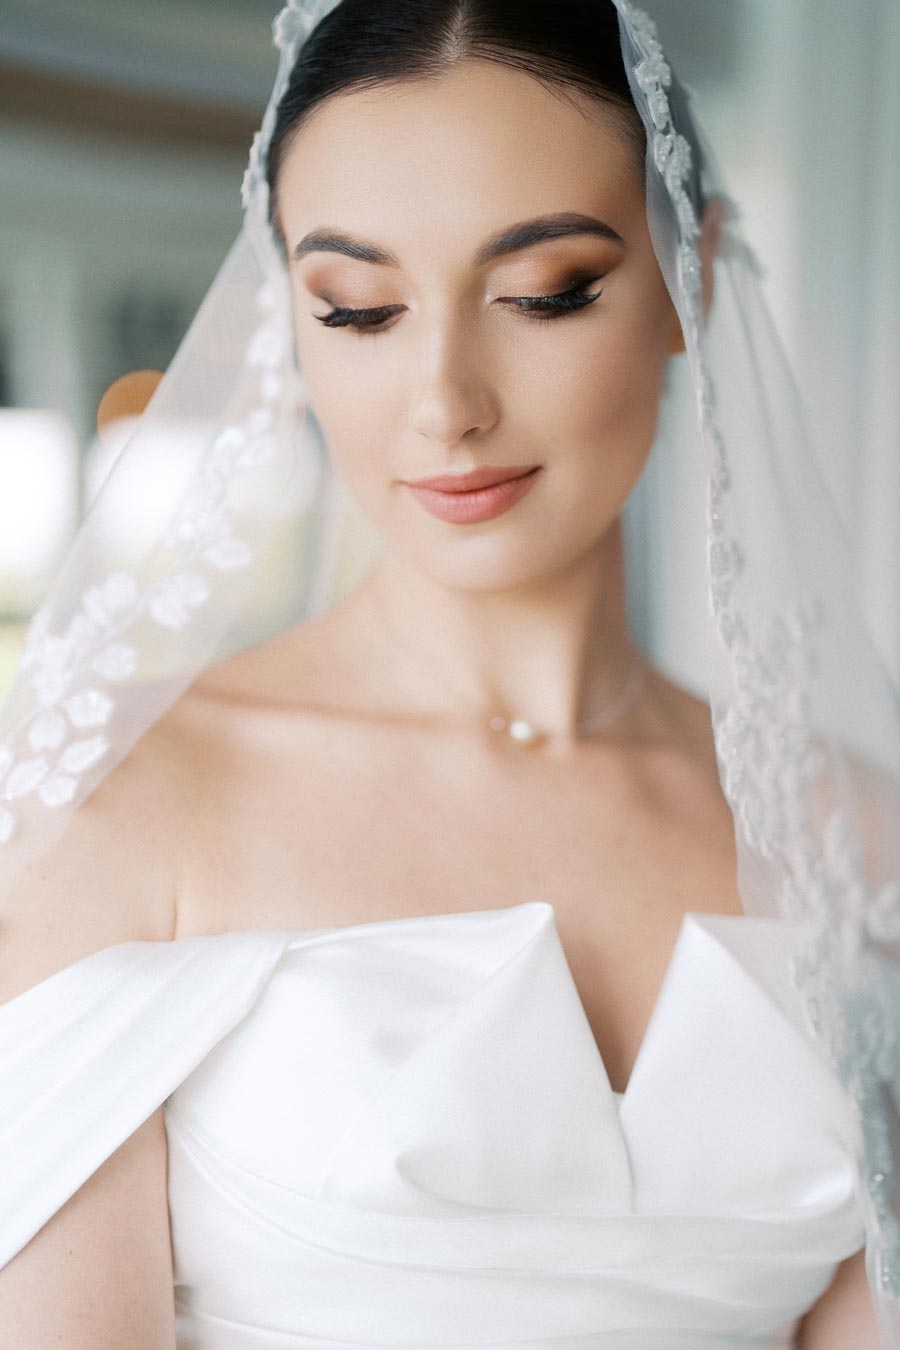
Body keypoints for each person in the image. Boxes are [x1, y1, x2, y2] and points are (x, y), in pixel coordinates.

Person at [0, 1, 897, 1346]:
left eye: (546, 293)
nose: (445, 401)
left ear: (689, 281)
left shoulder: (853, 836)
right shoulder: (125, 811)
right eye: (357, 310)